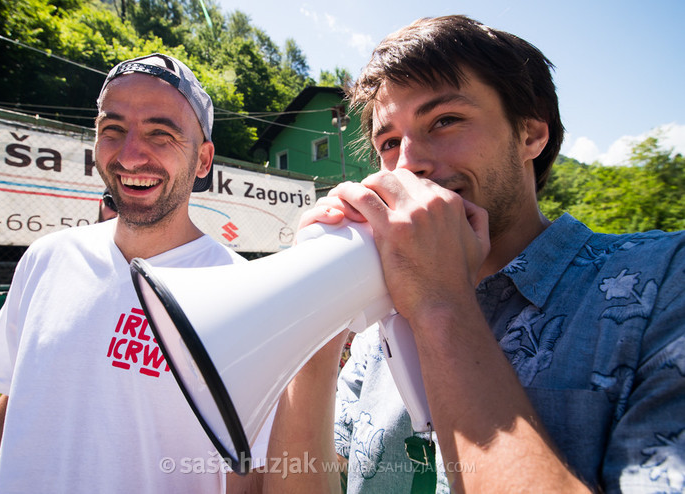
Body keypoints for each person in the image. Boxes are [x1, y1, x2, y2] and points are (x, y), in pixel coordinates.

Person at [263, 16, 685, 493]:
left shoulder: (666, 280)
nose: (409, 164)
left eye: (445, 121)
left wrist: (439, 302)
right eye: (389, 143)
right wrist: (314, 324)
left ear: (531, 135)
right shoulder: (375, 333)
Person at [0, 53, 268, 493]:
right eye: (112, 130)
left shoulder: (242, 292)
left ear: (203, 160)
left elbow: (246, 466)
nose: (131, 154)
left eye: (161, 133)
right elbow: (19, 389)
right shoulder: (46, 257)